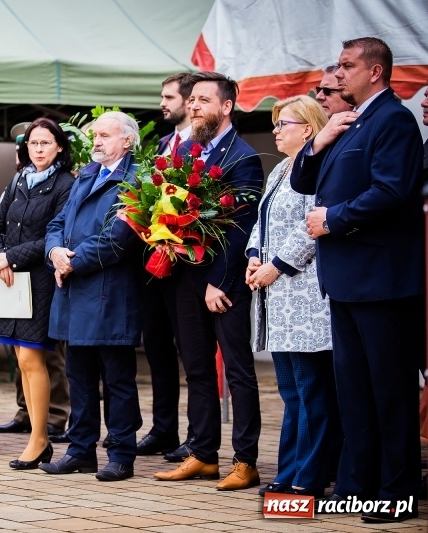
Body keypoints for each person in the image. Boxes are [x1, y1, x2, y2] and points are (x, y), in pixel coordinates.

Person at [290, 37, 425, 523]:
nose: (338, 74)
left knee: (390, 393)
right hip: (346, 279)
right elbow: (304, 181)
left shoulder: (394, 120)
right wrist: (318, 142)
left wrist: (334, 218)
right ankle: (356, 486)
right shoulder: (348, 123)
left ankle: (398, 491)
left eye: (347, 66)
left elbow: (392, 190)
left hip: (383, 280)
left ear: (376, 72)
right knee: (356, 393)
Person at [153, 72, 264, 490]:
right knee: (197, 369)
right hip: (186, 279)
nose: (195, 105)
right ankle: (202, 455)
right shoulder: (187, 153)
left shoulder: (244, 157)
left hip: (225, 284)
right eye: (193, 99)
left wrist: (218, 280)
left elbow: (240, 229)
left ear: (226, 107)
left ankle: (246, 460)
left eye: (203, 100)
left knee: (237, 372)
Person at [38, 111, 143, 482]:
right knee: (78, 376)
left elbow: (119, 239)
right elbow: (56, 223)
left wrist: (72, 262)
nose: (96, 141)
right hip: (74, 290)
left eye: (105, 135)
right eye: (95, 135)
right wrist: (54, 253)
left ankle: (121, 453)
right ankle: (81, 450)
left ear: (127, 141)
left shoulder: (135, 179)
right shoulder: (86, 174)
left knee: (116, 379)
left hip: (108, 293)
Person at [245, 96, 334, 498]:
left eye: (284, 123)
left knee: (311, 390)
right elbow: (261, 225)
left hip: (306, 295)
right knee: (291, 391)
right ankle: (288, 471)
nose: (276, 130)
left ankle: (308, 477)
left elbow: (310, 228)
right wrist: (252, 257)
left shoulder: (319, 167)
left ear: (309, 129)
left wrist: (276, 265)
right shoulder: (281, 168)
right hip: (277, 295)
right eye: (276, 123)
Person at [0, 118, 76, 469]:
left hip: (39, 282)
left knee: (32, 359)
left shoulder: (65, 184)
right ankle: (36, 435)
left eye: (45, 143)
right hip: (9, 280)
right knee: (21, 361)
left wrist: (10, 256)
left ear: (59, 147)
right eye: (33, 144)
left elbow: (55, 237)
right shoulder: (17, 179)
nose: (37, 149)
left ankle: (40, 438)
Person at [138, 73, 194, 459]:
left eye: (168, 97)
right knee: (157, 350)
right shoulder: (161, 144)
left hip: (190, 266)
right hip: (156, 265)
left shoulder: (204, 147)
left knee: (193, 356)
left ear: (190, 102)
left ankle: (198, 434)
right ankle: (163, 429)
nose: (163, 103)